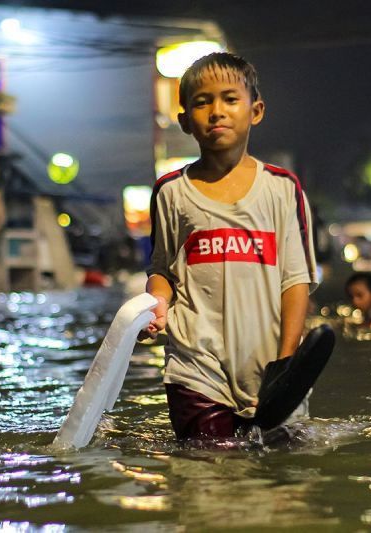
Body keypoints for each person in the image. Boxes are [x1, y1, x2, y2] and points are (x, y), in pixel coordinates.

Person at [141, 52, 318, 440]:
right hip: (194, 367)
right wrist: (155, 305)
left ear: (255, 111)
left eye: (229, 99)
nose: (216, 111)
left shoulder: (283, 190)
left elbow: (296, 282)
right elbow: (163, 271)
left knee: (280, 483)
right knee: (208, 469)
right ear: (185, 120)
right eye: (202, 102)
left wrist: (286, 363)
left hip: (270, 365)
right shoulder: (171, 192)